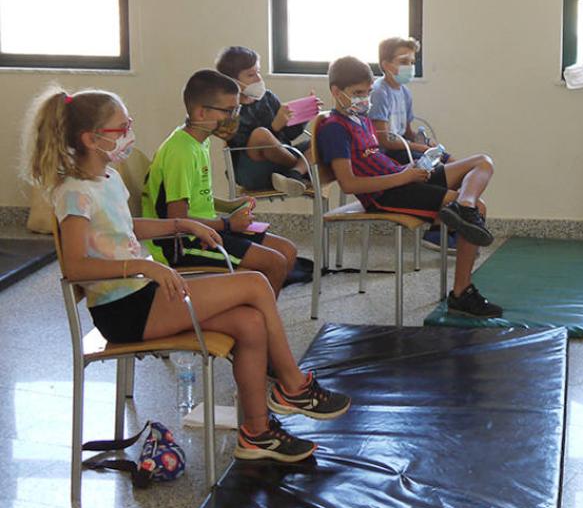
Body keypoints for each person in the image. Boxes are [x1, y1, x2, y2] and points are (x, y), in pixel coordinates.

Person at [20, 86, 349, 462]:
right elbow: (74, 267)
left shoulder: (105, 178)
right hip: (122, 311)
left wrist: (179, 223)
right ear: (91, 139)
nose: (129, 132)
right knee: (256, 284)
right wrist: (143, 265)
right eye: (120, 127)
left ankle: (257, 434)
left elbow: (123, 230)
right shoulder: (73, 193)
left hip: (139, 296)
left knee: (249, 322)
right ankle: (293, 386)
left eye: (129, 123)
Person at [316, 56, 502, 318]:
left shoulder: (362, 120)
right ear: (336, 92)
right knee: (480, 209)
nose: (365, 99)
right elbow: (349, 183)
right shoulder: (333, 128)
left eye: (368, 93)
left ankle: (464, 205)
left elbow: (375, 159)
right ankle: (462, 292)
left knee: (483, 162)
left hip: (401, 179)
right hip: (386, 194)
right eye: (357, 93)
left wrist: (407, 168)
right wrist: (403, 177)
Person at [142, 70, 299, 295]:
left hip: (205, 229)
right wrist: (227, 224)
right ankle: (255, 320)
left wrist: (229, 206)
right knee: (272, 263)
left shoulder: (199, 140)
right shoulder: (181, 151)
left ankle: (256, 316)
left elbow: (192, 198)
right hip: (181, 243)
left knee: (287, 250)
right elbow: (177, 218)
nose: (234, 117)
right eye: (228, 111)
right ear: (201, 112)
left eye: (236, 109)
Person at [368, 36, 458, 255]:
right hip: (388, 155)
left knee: (452, 162)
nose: (410, 66)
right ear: (386, 65)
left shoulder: (404, 92)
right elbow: (384, 139)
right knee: (441, 171)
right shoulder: (380, 91)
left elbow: (407, 131)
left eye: (412, 61)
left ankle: (442, 225)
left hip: (404, 148)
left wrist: (425, 143)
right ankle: (438, 225)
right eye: (404, 61)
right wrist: (419, 149)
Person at [214, 45, 317, 197]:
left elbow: (288, 136)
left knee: (322, 137)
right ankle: (299, 169)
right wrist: (274, 126)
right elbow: (241, 142)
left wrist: (304, 113)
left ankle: (294, 173)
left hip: (282, 161)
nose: (258, 79)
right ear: (232, 81)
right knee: (260, 135)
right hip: (253, 170)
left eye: (258, 72)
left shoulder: (267, 97)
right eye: (251, 75)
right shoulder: (228, 110)